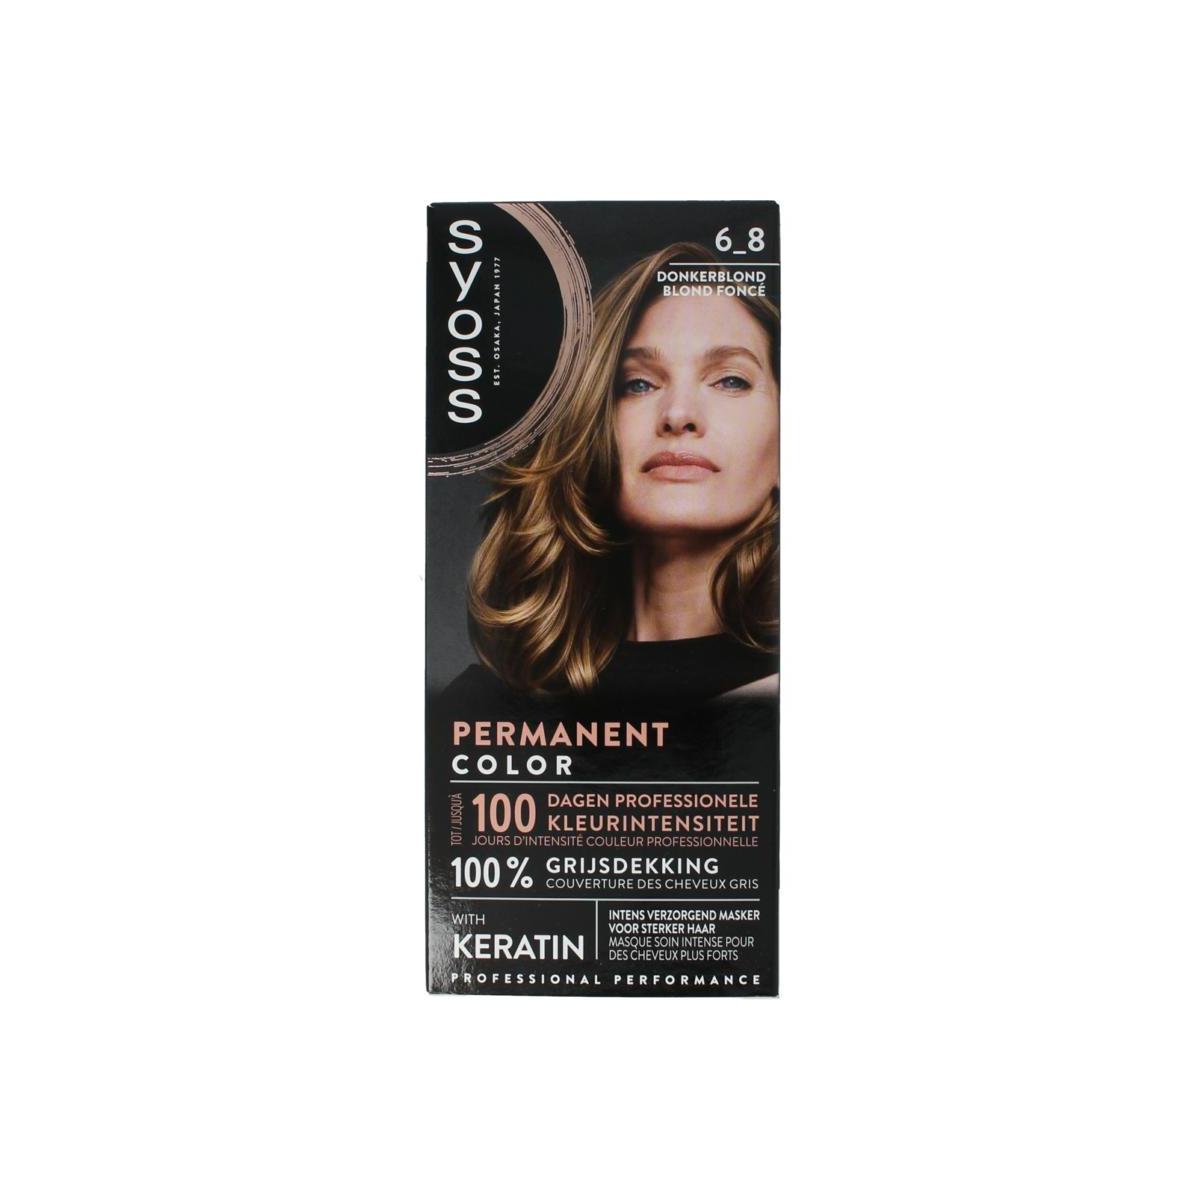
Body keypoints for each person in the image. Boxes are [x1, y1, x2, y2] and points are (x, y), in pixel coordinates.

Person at [458, 241, 779, 706]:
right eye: (639, 384)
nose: (679, 415)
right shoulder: (483, 707)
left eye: (730, 380)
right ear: (590, 425)